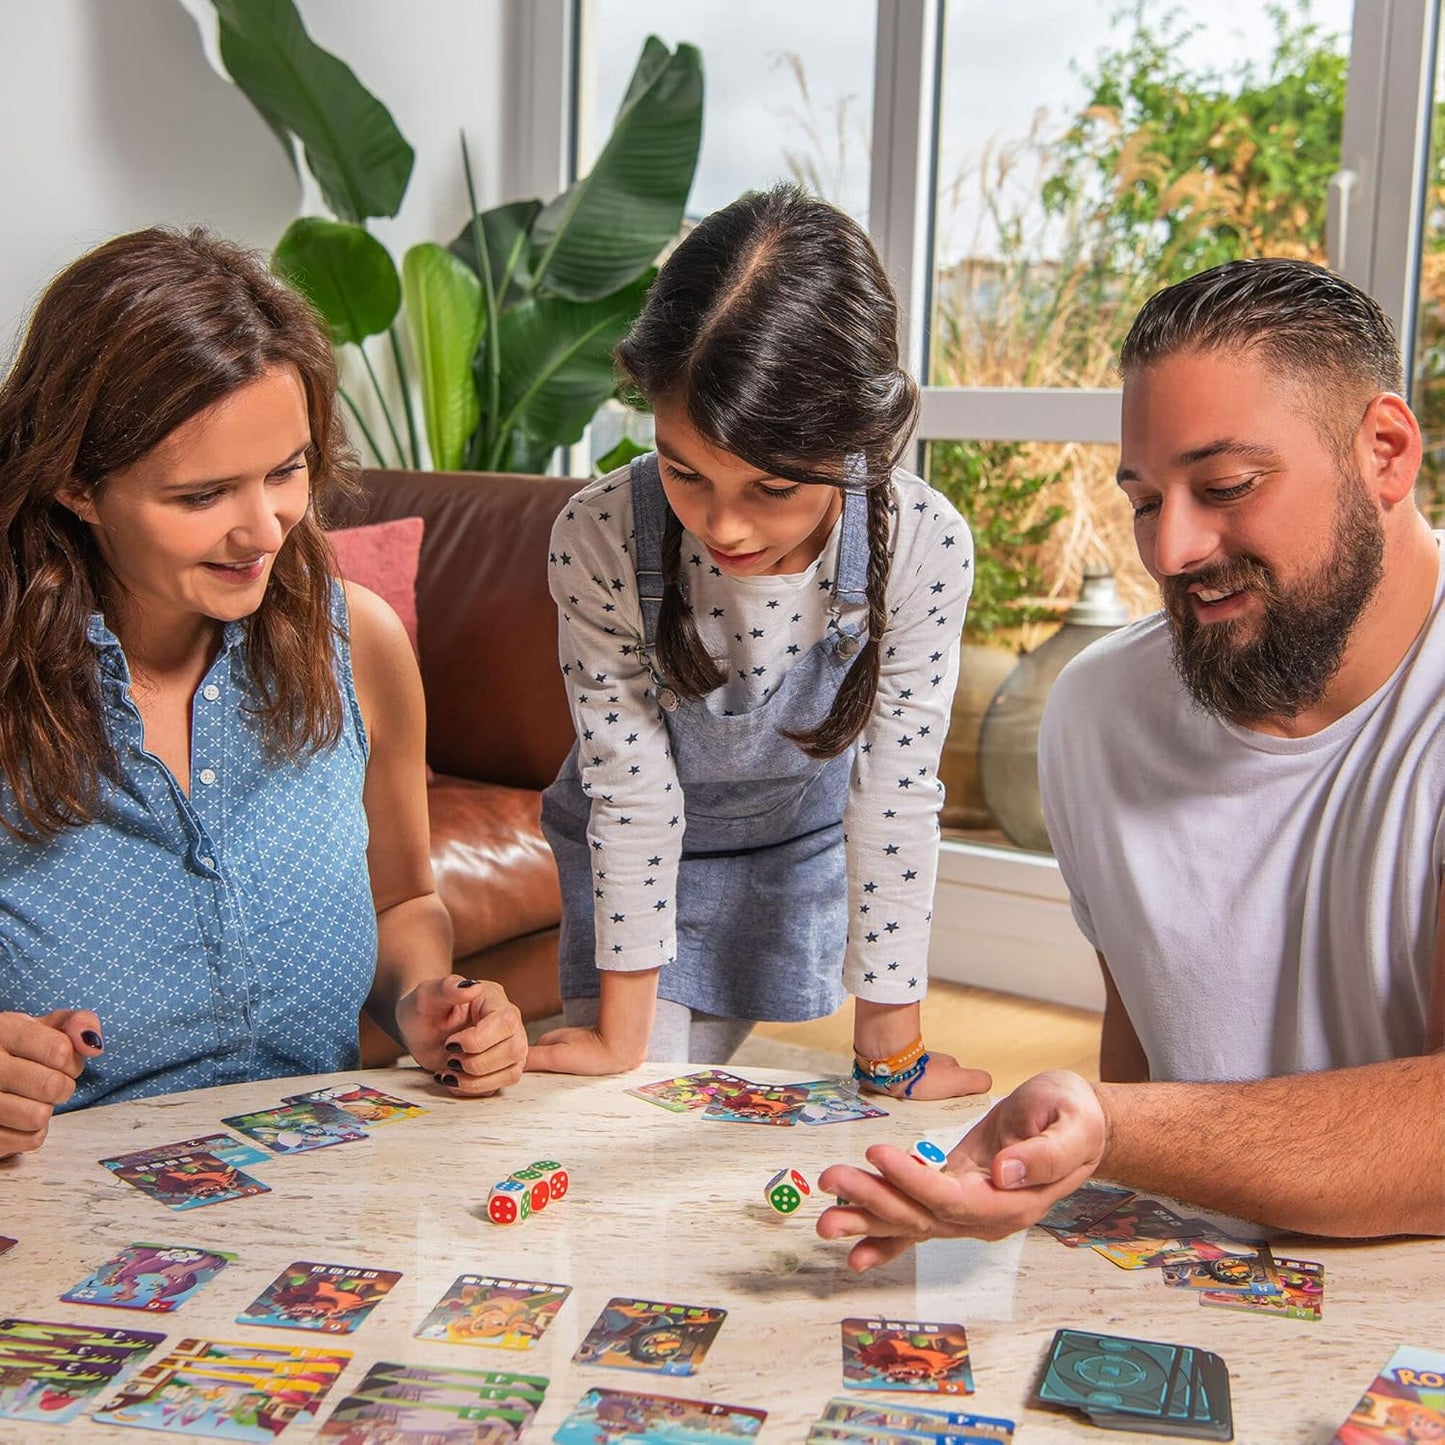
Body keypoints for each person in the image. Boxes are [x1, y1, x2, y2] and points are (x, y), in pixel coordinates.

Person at [817, 257, 1445, 1262]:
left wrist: (1111, 1128)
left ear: (1382, 451)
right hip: (1184, 1277)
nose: (1171, 548)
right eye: (1145, 499)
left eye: (1225, 485)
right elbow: (1143, 1055)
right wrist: (1059, 1169)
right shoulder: (1096, 712)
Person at [0, 227, 527, 1155]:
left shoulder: (357, 643)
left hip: (314, 1199)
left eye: (287, 471)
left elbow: (402, 899)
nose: (263, 530)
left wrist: (427, 1002)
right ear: (77, 484)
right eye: (202, 495)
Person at [526, 183, 990, 1098]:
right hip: (632, 851)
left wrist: (890, 1055)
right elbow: (630, 790)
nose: (724, 529)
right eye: (685, 471)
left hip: (790, 850)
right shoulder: (599, 531)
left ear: (859, 436)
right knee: (623, 1104)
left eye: (772, 489)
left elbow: (895, 797)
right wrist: (621, 1040)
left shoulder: (923, 545)